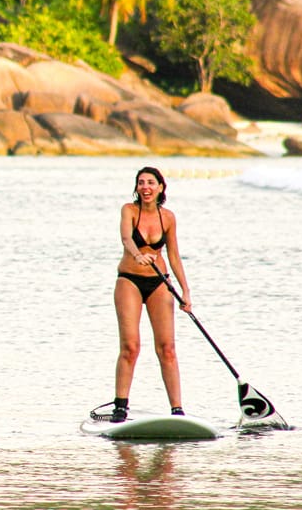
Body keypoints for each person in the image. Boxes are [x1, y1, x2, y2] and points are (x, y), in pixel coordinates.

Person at [110, 166, 191, 423]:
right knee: (130, 346)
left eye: (150, 183)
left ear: (160, 188)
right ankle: (120, 407)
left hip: (159, 283)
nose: (145, 187)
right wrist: (137, 255)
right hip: (130, 281)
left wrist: (185, 291)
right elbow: (126, 238)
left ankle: (177, 410)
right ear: (136, 188)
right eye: (141, 183)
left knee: (167, 348)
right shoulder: (129, 210)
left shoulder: (168, 217)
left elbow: (174, 256)